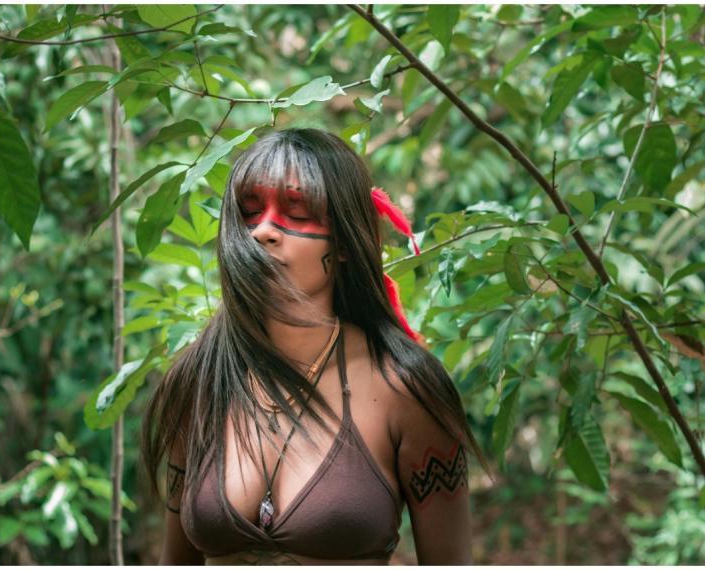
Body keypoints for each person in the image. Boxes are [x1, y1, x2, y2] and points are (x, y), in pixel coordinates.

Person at [140, 128, 489, 565]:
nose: (264, 231)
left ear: (343, 241)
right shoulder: (199, 381)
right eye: (249, 213)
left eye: (297, 211)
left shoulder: (407, 388)